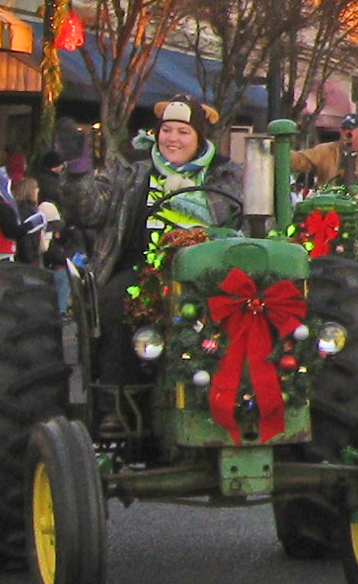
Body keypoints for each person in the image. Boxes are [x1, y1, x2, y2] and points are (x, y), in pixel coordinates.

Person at [61, 101, 245, 384]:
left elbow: (236, 220)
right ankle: (117, 394)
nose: (172, 139)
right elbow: (89, 211)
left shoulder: (224, 174)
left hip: (208, 272)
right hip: (140, 268)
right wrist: (78, 173)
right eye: (166, 130)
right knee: (115, 306)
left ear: (199, 138)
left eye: (183, 132)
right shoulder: (131, 168)